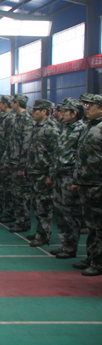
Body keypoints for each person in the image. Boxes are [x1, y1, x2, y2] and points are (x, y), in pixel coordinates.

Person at [51, 99, 86, 259]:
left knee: (71, 214)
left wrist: (76, 179)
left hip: (70, 177)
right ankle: (64, 244)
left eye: (66, 111)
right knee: (60, 212)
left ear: (74, 113)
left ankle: (71, 247)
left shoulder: (81, 129)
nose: (63, 113)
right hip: (59, 175)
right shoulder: (65, 127)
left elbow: (81, 157)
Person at [72, 94, 102, 276]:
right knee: (91, 225)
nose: (87, 108)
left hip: (98, 184)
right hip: (86, 183)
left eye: (92, 105)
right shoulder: (89, 127)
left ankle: (99, 263)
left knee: (99, 227)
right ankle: (91, 256)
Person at [26, 99, 59, 247]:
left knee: (44, 206)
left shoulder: (51, 129)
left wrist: (50, 176)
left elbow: (55, 155)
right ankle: (40, 231)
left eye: (35, 110)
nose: (32, 112)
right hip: (35, 172)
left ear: (44, 111)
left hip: (43, 174)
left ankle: (44, 236)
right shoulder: (37, 127)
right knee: (37, 205)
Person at [2, 94, 34, 233]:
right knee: (16, 193)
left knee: (22, 195)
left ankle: (24, 222)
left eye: (13, 102)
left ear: (17, 103)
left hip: (20, 164)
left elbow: (26, 145)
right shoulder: (18, 118)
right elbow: (12, 142)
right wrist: (8, 159)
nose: (12, 104)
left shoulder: (26, 120)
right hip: (13, 162)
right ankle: (19, 219)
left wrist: (22, 166)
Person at [0, 95, 18, 223]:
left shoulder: (11, 118)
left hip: (7, 157)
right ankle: (5, 210)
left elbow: (11, 141)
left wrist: (7, 158)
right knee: (2, 185)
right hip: (1, 155)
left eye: (0, 103)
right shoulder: (3, 118)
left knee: (9, 187)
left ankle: (11, 213)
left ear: (5, 104)